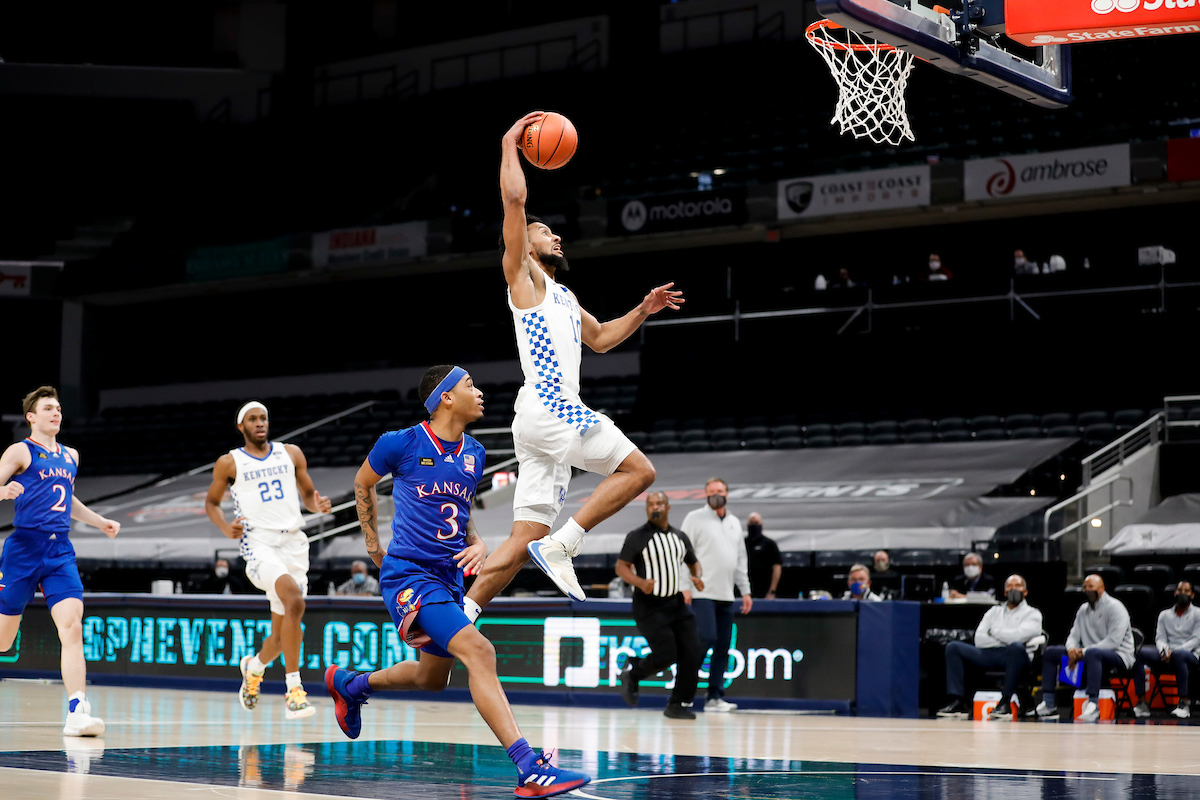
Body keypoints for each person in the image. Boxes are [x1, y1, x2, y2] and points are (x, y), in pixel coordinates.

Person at [326, 365, 590, 797]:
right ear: (445, 397)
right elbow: (362, 482)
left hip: (449, 577)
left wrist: (480, 542)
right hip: (410, 574)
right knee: (479, 651)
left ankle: (350, 685)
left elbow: (458, 513)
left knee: (433, 679)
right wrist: (375, 547)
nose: (480, 392)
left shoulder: (476, 452)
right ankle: (529, 767)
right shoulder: (401, 442)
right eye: (470, 385)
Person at [462, 111, 684, 610]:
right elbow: (515, 200)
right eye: (545, 232)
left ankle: (462, 614)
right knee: (640, 472)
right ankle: (565, 544)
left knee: (522, 542)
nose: (555, 236)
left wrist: (643, 310)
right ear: (525, 244)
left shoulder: (562, 293)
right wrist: (508, 144)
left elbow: (602, 338)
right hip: (552, 405)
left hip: (538, 419)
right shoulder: (523, 276)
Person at [0, 386, 121, 737]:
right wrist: (3, 491)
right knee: (4, 642)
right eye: (48, 408)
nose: (56, 413)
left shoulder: (71, 456)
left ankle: (77, 710)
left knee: (71, 627)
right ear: (31, 417)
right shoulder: (21, 450)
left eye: (59, 408)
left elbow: (67, 500)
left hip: (59, 551)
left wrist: (100, 522)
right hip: (23, 549)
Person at [205, 400, 333, 720]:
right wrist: (224, 526)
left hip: (294, 544)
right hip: (259, 545)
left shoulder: (291, 453)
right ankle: (293, 691)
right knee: (295, 599)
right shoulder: (229, 462)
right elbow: (211, 503)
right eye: (253, 419)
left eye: (263, 418)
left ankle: (254, 668)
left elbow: (307, 495)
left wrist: (317, 505)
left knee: (278, 638)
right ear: (241, 426)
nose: (260, 423)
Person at [616, 491, 705, 719]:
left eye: (659, 503)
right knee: (667, 654)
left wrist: (696, 576)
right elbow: (621, 567)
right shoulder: (637, 536)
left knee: (692, 652)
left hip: (676, 604)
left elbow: (694, 564)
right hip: (648, 605)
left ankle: (678, 704)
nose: (654, 507)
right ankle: (633, 674)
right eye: (650, 504)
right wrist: (640, 582)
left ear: (668, 507)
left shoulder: (680, 537)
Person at [681, 477, 752, 712]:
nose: (716, 495)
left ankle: (714, 697)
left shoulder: (733, 522)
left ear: (727, 494)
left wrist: (745, 590)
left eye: (720, 491)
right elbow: (683, 553)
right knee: (706, 638)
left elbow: (740, 558)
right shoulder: (694, 518)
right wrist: (684, 585)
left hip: (726, 593)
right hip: (702, 592)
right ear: (705, 495)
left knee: (723, 645)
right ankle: (684, 690)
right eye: (711, 492)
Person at [936, 574, 1044, 719]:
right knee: (953, 647)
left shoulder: (1033, 614)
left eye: (1017, 586)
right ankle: (958, 701)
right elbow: (979, 639)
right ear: (1005, 592)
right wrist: (1003, 640)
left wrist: (995, 632)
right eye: (1010, 586)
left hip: (1017, 657)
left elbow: (1016, 638)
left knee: (1016, 647)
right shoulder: (994, 611)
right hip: (990, 654)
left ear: (1025, 591)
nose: (1013, 589)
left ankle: (1005, 701)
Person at [1036, 574, 1138, 722]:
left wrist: (1082, 652)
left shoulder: (1116, 608)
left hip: (1119, 656)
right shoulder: (1083, 609)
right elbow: (1073, 635)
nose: (1087, 590)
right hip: (1089, 653)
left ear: (1102, 588)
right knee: (1051, 653)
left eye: (1091, 586)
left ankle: (1093, 705)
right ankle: (1049, 704)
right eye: (1085, 587)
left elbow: (1113, 642)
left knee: (1093, 653)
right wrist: (1071, 649)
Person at [1138, 581, 1200, 719]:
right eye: (1179, 590)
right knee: (1140, 653)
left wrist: (1174, 652)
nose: (1182, 593)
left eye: (1186, 590)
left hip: (1191, 654)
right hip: (1167, 654)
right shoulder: (1164, 615)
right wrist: (1164, 651)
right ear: (1175, 593)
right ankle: (1142, 703)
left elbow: (1196, 640)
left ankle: (1184, 704)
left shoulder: (1198, 614)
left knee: (1179, 654)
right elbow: (1160, 638)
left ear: (1192, 595)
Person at [744, 512, 781, 599]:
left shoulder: (769, 544)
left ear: (761, 524)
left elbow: (777, 568)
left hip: (764, 590)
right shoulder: (742, 544)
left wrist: (772, 591)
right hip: (746, 590)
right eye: (751, 523)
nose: (753, 526)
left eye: (756, 523)